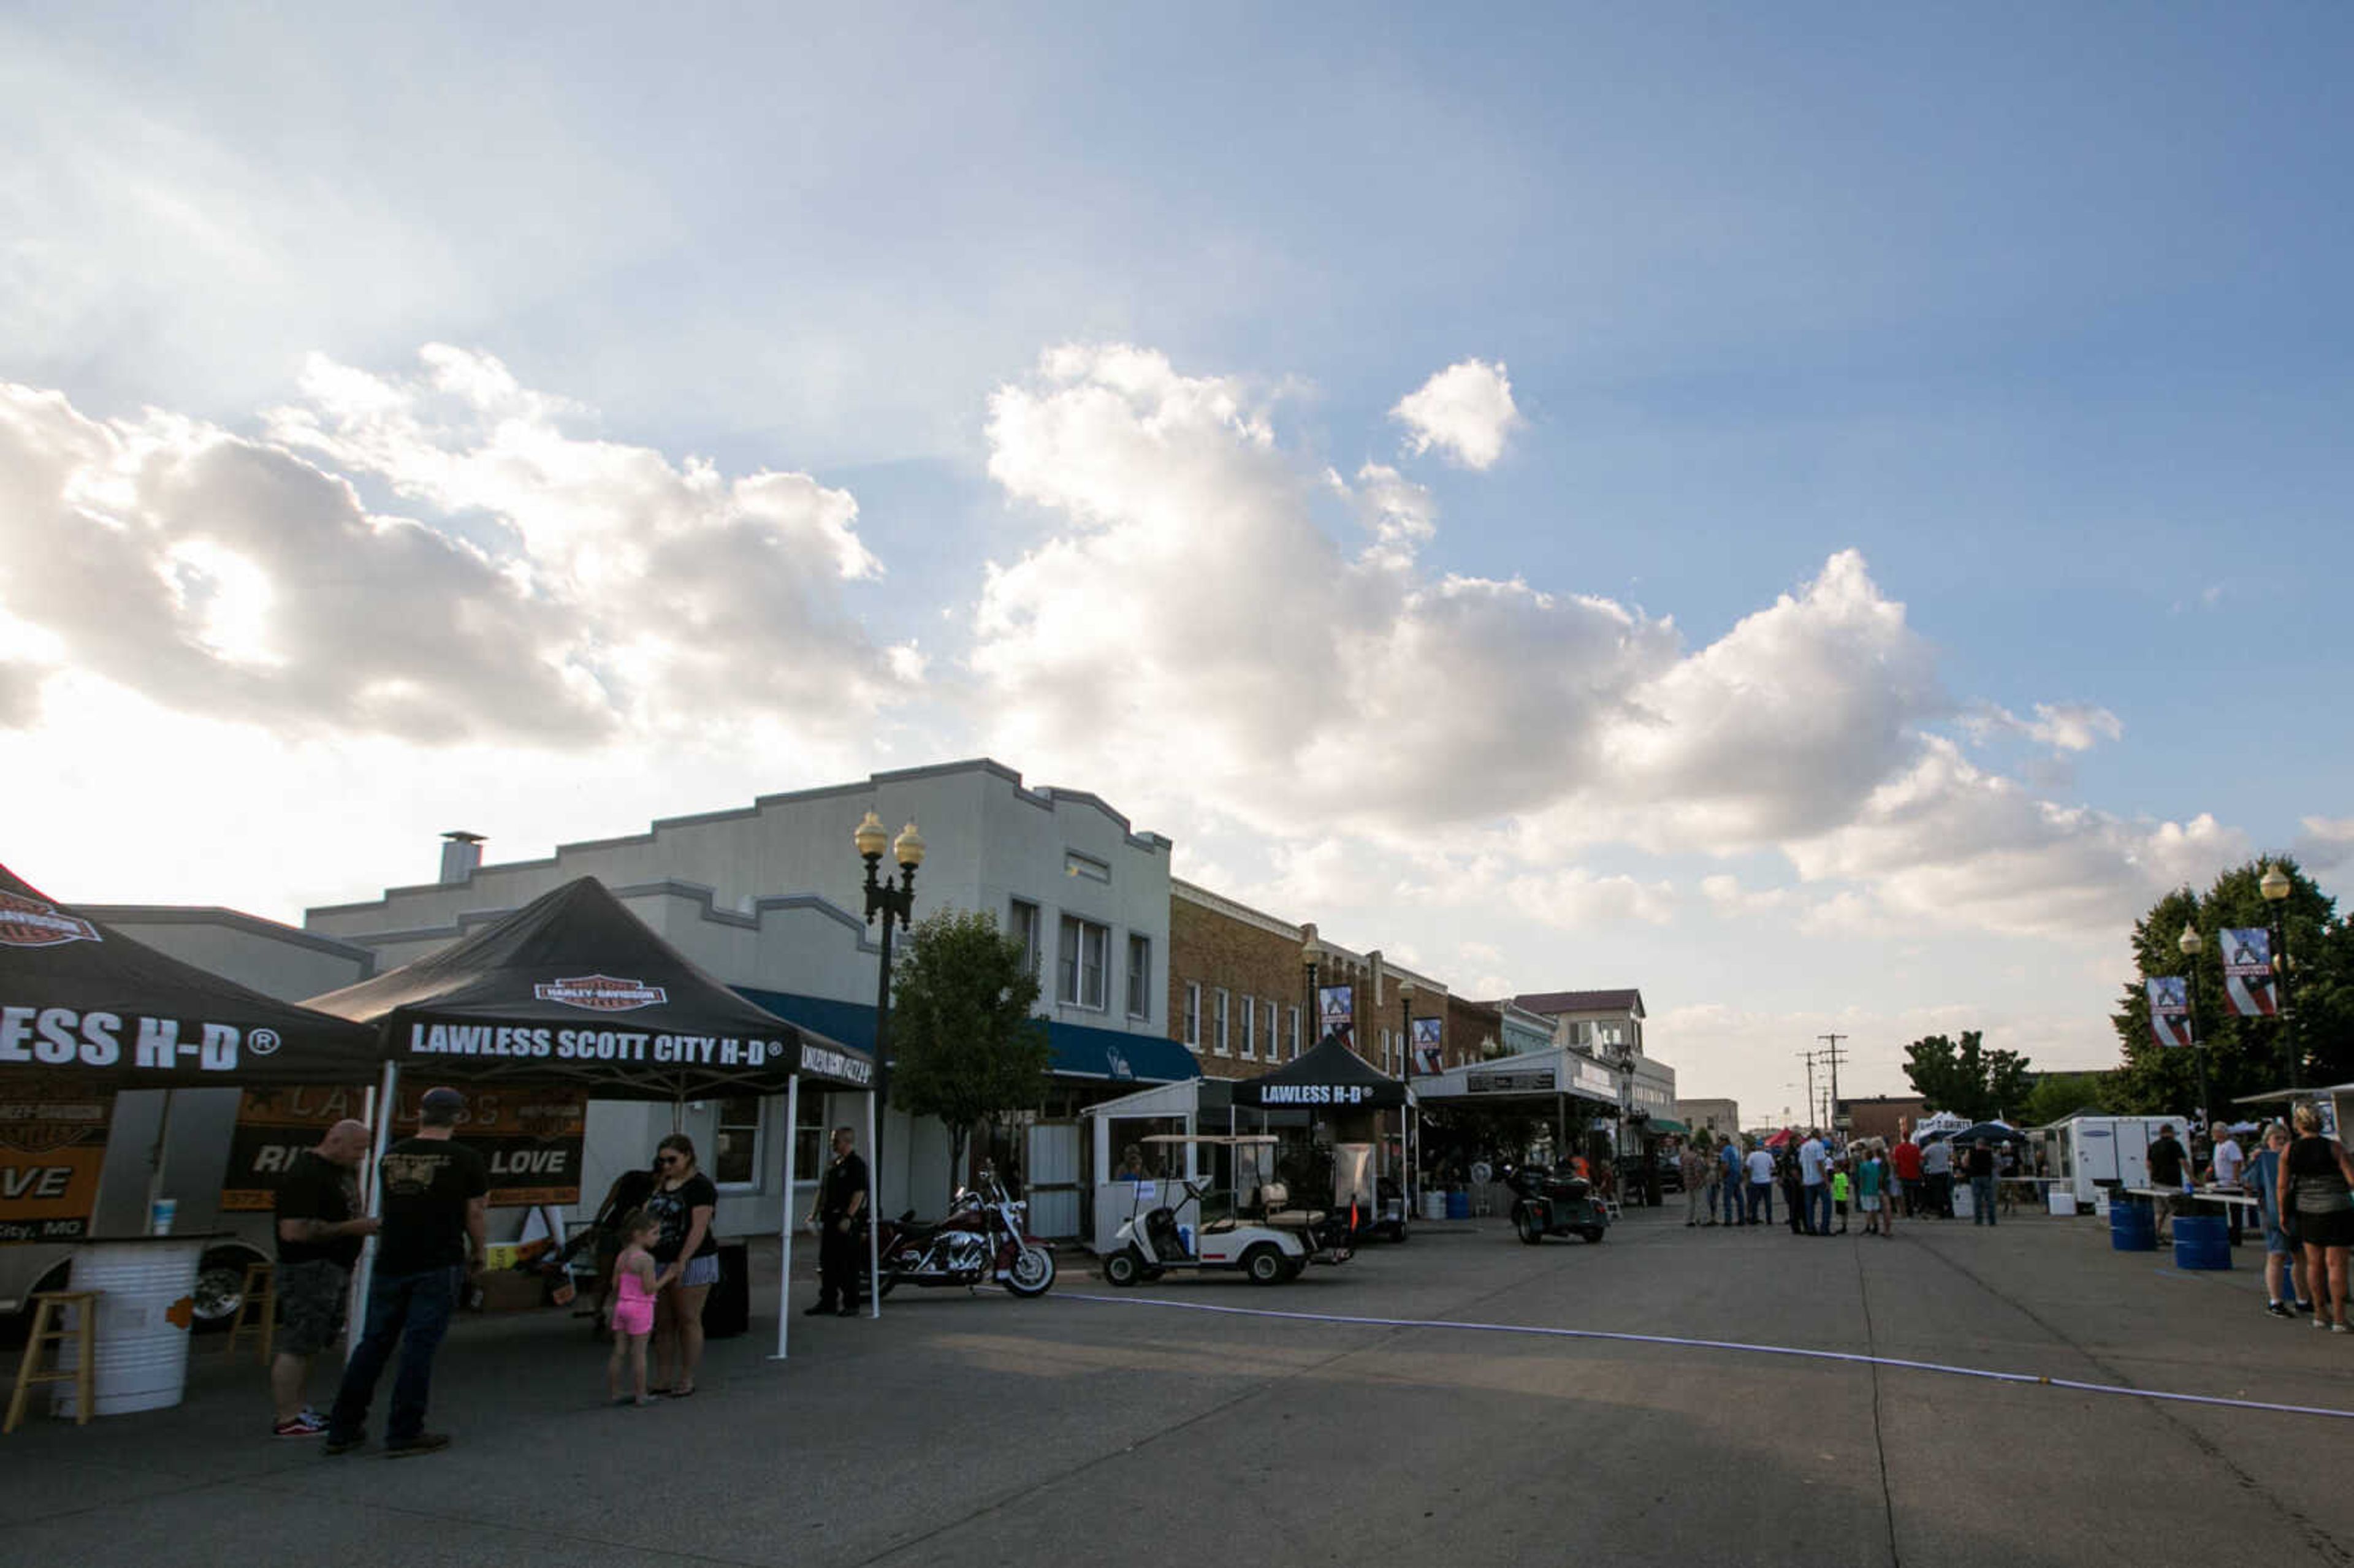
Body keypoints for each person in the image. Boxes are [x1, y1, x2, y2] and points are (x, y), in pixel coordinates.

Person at [325, 1085, 488, 1458]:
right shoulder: (465, 1158)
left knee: (374, 1342)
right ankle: (404, 1430)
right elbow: (475, 1212)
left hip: (393, 1258)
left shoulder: (391, 1156)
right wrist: (479, 1250)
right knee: (419, 1347)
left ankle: (343, 1427)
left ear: (421, 1113)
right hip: (438, 1259)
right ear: (459, 1117)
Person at [268, 1118, 380, 1438]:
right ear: (335, 1141)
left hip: (332, 1268)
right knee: (298, 1342)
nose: (361, 1156)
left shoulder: (338, 1172)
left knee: (312, 1341)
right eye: (358, 1149)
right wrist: (351, 1228)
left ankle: (299, 1409)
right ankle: (287, 1417)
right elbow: (293, 1231)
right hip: (308, 1269)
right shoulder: (306, 1175)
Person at [646, 1133, 718, 1395]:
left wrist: (682, 1261)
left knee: (688, 1318)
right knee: (663, 1323)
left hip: (693, 1259)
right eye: (661, 1160)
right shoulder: (661, 1184)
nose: (666, 1165)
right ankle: (663, 1378)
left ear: (687, 1156)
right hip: (659, 1258)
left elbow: (699, 1228)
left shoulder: (701, 1187)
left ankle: (686, 1378)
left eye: (672, 1160)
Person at [2279, 1101, 2354, 1333]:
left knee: (2314, 1264)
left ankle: (2320, 1313)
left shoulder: (2289, 1150)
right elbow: (2352, 1180)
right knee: (2336, 1265)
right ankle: (2340, 1318)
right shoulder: (2335, 1148)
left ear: (2298, 1125)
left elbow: (2282, 1186)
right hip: (2337, 1210)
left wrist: (2283, 1213)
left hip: (2307, 1211)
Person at [588, 1159, 661, 1341]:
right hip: (630, 1236)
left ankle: (598, 1313)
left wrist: (597, 1222)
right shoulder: (658, 1188)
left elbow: (609, 1200)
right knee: (629, 1278)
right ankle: (627, 1321)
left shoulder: (629, 1176)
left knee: (605, 1276)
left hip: (610, 1228)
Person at [2249, 1122, 2314, 1320]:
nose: (2282, 1143)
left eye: (2285, 1139)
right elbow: (2251, 1181)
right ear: (2268, 1141)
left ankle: (2302, 1299)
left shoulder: (2294, 1158)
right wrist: (2255, 1160)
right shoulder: (2264, 1160)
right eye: (2277, 1139)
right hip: (2273, 1214)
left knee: (2300, 1256)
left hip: (2297, 1213)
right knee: (2277, 1255)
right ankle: (2275, 1301)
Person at [806, 1125, 869, 1318]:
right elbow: (822, 1190)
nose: (833, 1143)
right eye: (833, 1140)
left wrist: (849, 1217)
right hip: (830, 1220)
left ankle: (851, 1304)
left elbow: (859, 1193)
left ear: (847, 1141)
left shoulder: (856, 1164)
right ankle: (828, 1302)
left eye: (836, 1140)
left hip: (846, 1221)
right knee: (827, 1263)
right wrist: (813, 1214)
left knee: (847, 1264)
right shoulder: (833, 1165)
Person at [605, 1210, 661, 1406]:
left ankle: (614, 1392)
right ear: (639, 1234)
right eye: (654, 1233)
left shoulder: (622, 1256)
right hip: (641, 1308)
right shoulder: (646, 1260)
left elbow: (615, 1284)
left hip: (622, 1304)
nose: (658, 1237)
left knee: (619, 1350)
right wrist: (668, 1277)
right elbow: (649, 1288)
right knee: (639, 1352)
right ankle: (640, 1394)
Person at [2146, 1124, 2189, 1246]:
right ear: (2170, 1132)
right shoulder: (2175, 1145)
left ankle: (2157, 1235)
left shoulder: (2153, 1146)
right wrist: (2192, 1177)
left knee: (2160, 1213)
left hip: (2157, 1183)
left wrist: (2152, 1178)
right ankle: (2181, 1236)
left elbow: (2148, 1165)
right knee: (2177, 1211)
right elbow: (2183, 1162)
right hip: (2172, 1183)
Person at [2206, 1122, 2247, 1248]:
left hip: (2230, 1183)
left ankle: (2236, 1237)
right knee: (2222, 1210)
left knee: (2235, 1211)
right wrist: (2211, 1169)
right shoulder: (2217, 1146)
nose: (2213, 1135)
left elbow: (2237, 1162)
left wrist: (2235, 1179)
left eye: (2215, 1132)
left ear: (2222, 1133)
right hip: (2221, 1182)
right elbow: (2216, 1161)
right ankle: (2227, 1234)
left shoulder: (2231, 1145)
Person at [1799, 1130, 1830, 1237]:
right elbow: (1820, 1163)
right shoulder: (1819, 1145)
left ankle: (1811, 1228)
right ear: (1818, 1136)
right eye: (1821, 1135)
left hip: (1807, 1180)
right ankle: (1824, 1228)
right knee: (1827, 1203)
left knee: (1810, 1206)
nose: (1822, 1137)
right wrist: (1826, 1180)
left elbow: (1801, 1162)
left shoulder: (1804, 1147)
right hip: (1818, 1180)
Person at [1964, 1138, 1997, 1227]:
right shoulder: (1989, 1153)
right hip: (1987, 1177)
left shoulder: (1970, 1152)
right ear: (1985, 1145)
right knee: (1990, 1200)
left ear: (1977, 1144)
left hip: (1975, 1177)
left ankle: (1978, 1221)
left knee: (1977, 1200)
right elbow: (1994, 1164)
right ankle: (1992, 1221)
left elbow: (1965, 1164)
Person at [1857, 1141, 1888, 1237]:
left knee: (1868, 1210)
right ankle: (1876, 1226)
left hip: (1866, 1190)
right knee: (1874, 1209)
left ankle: (1868, 1227)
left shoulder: (1863, 1166)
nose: (1862, 1156)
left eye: (1863, 1155)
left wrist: (1861, 1189)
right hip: (1875, 1190)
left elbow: (1862, 1179)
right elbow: (1879, 1178)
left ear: (1866, 1156)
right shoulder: (1875, 1165)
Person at [1892, 1131, 1924, 1219]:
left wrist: (1896, 1173)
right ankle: (1915, 1209)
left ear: (1903, 1137)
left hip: (1903, 1174)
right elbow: (1921, 1163)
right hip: (1915, 1174)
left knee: (1906, 1194)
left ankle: (1909, 1211)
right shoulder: (1916, 1148)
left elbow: (1895, 1163)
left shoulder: (1898, 1148)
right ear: (1910, 1137)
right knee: (1914, 1193)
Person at [1921, 1135, 1953, 1219]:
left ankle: (1941, 1213)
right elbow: (1951, 1157)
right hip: (1945, 1172)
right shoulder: (1945, 1147)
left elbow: (1922, 1158)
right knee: (1946, 1192)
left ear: (1931, 1140)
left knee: (1937, 1193)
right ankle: (1950, 1212)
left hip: (1934, 1172)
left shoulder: (1929, 1148)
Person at [1744, 1140, 1775, 1226]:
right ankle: (1769, 1219)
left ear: (1756, 1146)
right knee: (1768, 1201)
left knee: (1755, 1202)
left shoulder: (1752, 1155)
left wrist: (1750, 1178)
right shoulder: (1769, 1156)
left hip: (1755, 1181)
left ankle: (1754, 1218)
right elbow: (1773, 1167)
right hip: (1767, 1181)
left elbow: (1748, 1167)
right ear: (1764, 1146)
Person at [1681, 1142, 1712, 1227]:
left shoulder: (1684, 1157)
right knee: (1701, 1202)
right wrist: (1701, 1181)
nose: (1699, 1150)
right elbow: (1698, 1171)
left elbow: (1682, 1170)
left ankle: (1688, 1221)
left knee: (1690, 1203)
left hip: (1687, 1183)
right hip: (1697, 1183)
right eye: (1697, 1148)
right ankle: (1704, 1220)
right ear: (1694, 1148)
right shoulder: (1696, 1157)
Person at [1719, 1136, 1745, 1227]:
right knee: (1739, 1199)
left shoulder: (1726, 1150)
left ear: (1724, 1142)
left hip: (1730, 1175)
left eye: (1720, 1141)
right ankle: (1742, 1219)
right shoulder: (1735, 1149)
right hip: (1737, 1174)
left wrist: (1722, 1176)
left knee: (1727, 1199)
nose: (1720, 1144)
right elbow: (1740, 1162)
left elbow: (1725, 1164)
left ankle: (1728, 1221)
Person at [1830, 1158, 1851, 1235]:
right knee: (1841, 1213)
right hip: (1838, 1197)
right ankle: (1843, 1226)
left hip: (1843, 1198)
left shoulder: (1843, 1176)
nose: (1834, 1169)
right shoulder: (1836, 1176)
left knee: (1844, 1213)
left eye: (1835, 1168)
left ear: (1839, 1168)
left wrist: (1846, 1196)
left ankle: (1844, 1227)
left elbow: (1846, 1186)